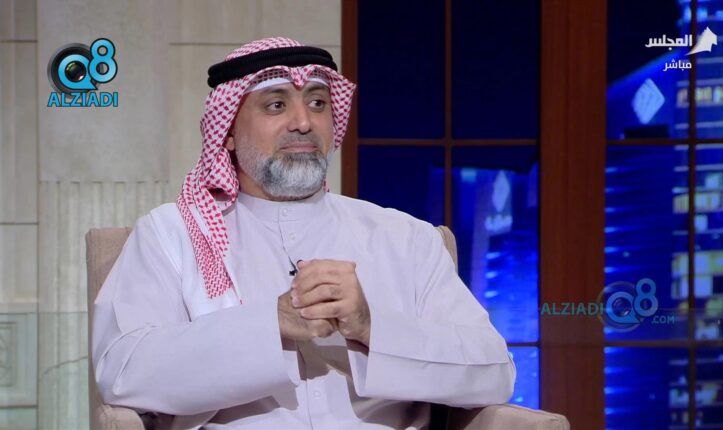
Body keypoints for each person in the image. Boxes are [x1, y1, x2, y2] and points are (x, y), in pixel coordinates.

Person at [92, 37, 516, 430]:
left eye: (317, 103)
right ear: (229, 133)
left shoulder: (406, 238)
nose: (303, 122)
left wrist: (372, 328)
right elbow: (123, 372)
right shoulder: (174, 234)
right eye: (276, 105)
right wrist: (270, 324)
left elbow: (494, 371)